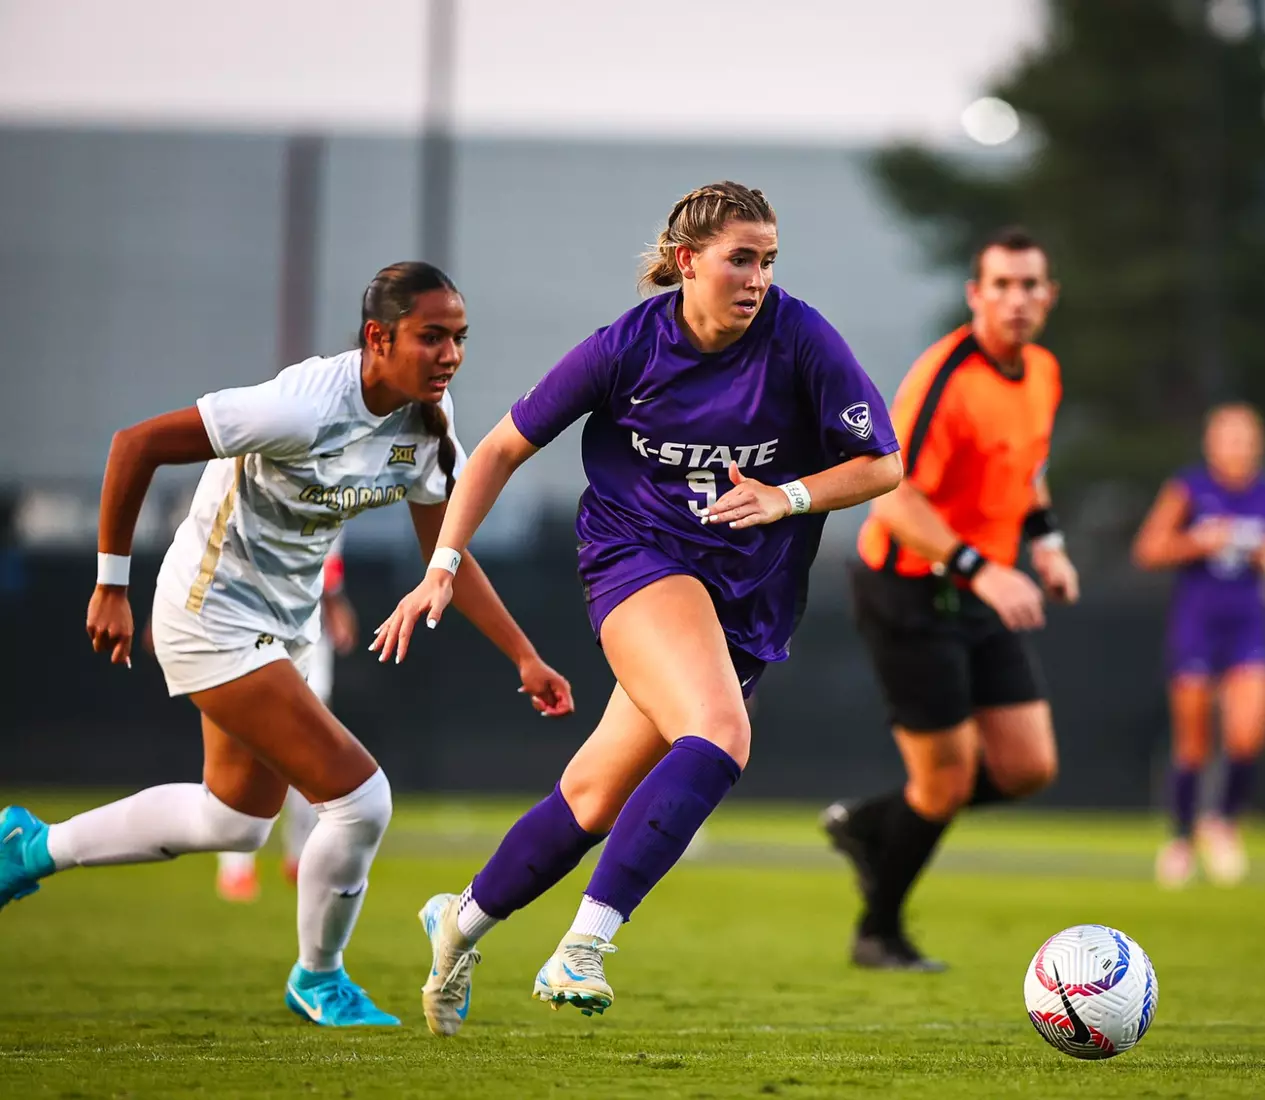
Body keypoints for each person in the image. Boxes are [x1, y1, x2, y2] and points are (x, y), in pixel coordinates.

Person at [370, 181, 903, 1035]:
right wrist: (443, 562)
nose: (757, 277)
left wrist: (789, 496)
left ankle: (459, 922)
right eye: (739, 258)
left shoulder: (799, 336)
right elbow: (501, 448)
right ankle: (585, 945)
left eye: (768, 260)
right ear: (686, 262)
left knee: (591, 799)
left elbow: (882, 463)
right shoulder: (627, 347)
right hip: (639, 560)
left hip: (749, 593)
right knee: (723, 732)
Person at [0, 262, 573, 1028]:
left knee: (232, 821)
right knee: (361, 800)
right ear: (379, 337)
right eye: (431, 337)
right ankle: (320, 975)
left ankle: (30, 847)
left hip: (286, 624)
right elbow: (134, 444)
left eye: (458, 339)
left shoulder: (422, 422)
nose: (449, 355)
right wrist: (110, 584)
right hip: (211, 614)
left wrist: (523, 656)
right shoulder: (301, 406)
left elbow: (448, 557)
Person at [822, 227, 1079, 972]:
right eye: (1001, 284)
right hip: (908, 591)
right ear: (976, 295)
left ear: (1049, 295)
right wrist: (983, 567)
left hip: (977, 590)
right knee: (946, 780)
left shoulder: (1042, 373)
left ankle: (872, 823)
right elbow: (890, 496)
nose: (1017, 299)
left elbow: (1027, 468)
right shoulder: (944, 376)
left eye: (1031, 285)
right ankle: (879, 931)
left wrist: (1049, 541)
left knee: (1028, 766)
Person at [1131, 403, 1265, 888]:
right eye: (1228, 438)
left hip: (1249, 624)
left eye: (1245, 439)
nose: (1237, 448)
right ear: (1211, 443)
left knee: (1248, 734)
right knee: (1193, 740)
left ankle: (1222, 823)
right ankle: (1180, 838)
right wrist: (1197, 543)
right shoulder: (1190, 489)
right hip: (1197, 624)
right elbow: (1148, 550)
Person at [214, 537, 354, 902]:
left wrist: (335, 606)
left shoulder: (341, 487)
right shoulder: (249, 484)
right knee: (251, 746)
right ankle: (236, 863)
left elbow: (328, 566)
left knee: (309, 751)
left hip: (307, 634)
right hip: (254, 626)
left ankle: (300, 854)